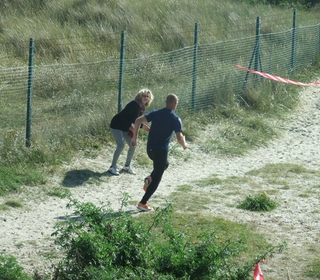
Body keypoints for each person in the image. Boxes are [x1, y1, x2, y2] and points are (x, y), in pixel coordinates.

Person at [130, 94, 188, 211]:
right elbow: (179, 137)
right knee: (158, 178)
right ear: (175, 104)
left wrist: (134, 137)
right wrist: (184, 145)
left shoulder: (156, 113)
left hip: (150, 150)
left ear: (166, 102)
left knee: (164, 165)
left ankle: (149, 178)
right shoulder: (175, 119)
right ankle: (143, 203)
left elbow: (138, 120)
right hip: (161, 151)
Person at [108, 88, 154, 175]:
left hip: (125, 127)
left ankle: (126, 167)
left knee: (133, 144)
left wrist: (142, 126)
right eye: (144, 96)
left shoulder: (142, 107)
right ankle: (112, 167)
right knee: (121, 145)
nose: (146, 98)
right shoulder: (134, 104)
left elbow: (134, 120)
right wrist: (131, 127)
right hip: (116, 125)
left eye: (148, 96)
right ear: (140, 96)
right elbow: (123, 117)